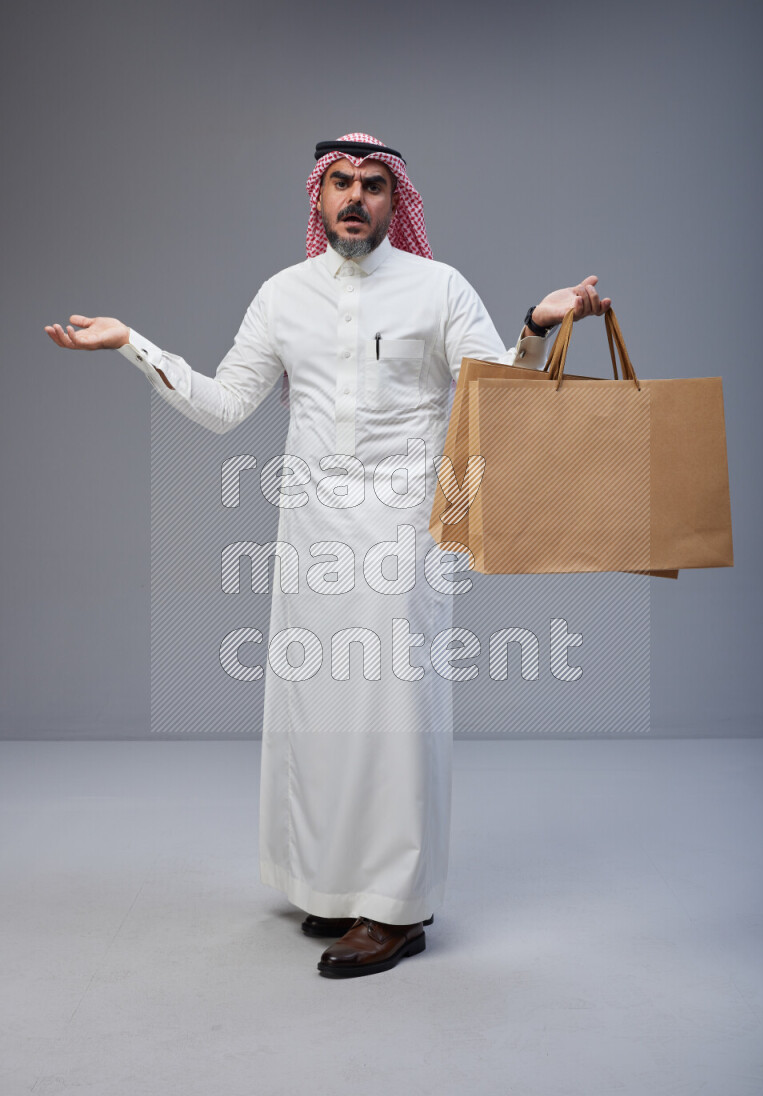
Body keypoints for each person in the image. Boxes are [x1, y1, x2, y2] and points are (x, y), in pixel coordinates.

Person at [45, 132, 611, 979]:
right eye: (340, 182)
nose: (355, 197)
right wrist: (133, 342)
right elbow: (224, 405)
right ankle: (337, 884)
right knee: (316, 710)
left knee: (394, 717)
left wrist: (534, 324)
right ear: (318, 196)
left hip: (405, 529)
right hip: (310, 530)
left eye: (373, 185)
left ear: (395, 200)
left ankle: (396, 910)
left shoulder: (438, 287)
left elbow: (500, 393)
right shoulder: (284, 295)